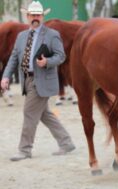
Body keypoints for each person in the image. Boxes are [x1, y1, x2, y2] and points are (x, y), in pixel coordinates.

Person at [0, 1, 75, 161]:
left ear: (42, 16)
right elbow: (13, 58)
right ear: (27, 17)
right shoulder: (21, 36)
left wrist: (47, 62)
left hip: (42, 79)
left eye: (38, 15)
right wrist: (6, 76)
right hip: (26, 81)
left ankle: (24, 150)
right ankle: (66, 142)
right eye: (32, 15)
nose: (35, 17)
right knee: (44, 114)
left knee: (29, 113)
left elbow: (60, 56)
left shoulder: (52, 34)